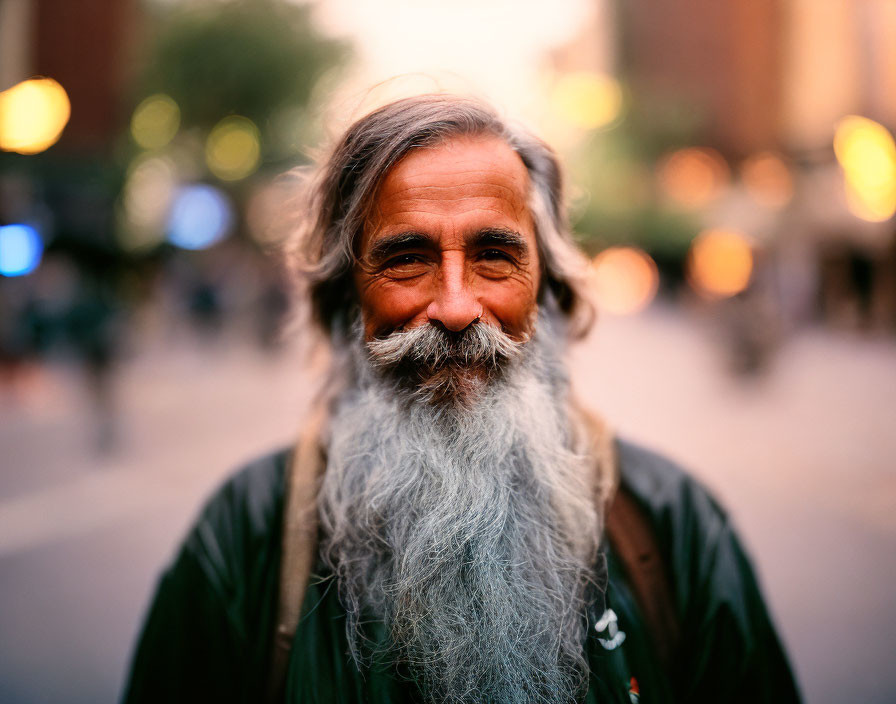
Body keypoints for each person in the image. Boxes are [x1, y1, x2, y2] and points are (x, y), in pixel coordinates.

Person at [122, 94, 801, 704]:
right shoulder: (246, 537)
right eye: (407, 259)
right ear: (344, 301)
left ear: (550, 294)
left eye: (494, 256)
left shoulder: (673, 525)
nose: (454, 307)